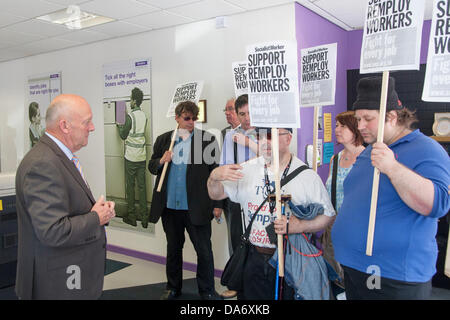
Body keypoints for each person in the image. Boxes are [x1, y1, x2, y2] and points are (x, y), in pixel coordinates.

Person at [332, 76, 450, 300]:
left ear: (392, 117)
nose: (360, 126)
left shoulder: (428, 150)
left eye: (368, 119)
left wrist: (392, 167)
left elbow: (438, 205)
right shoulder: (370, 150)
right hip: (356, 267)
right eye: (358, 119)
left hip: (392, 275)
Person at [207, 127, 336, 300]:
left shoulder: (306, 176)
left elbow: (328, 215)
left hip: (289, 257)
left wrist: (300, 226)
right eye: (259, 137)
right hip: (253, 257)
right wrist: (214, 177)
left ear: (288, 139)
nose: (264, 142)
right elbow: (216, 194)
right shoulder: (246, 169)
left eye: (271, 136)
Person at [15, 94, 116, 300]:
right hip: (57, 284)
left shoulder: (57, 158)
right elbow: (53, 231)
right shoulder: (43, 164)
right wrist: (96, 217)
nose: (92, 127)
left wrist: (96, 211)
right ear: (65, 126)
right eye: (87, 122)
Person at [148, 101, 221, 300]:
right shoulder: (164, 140)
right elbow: (151, 166)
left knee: (204, 251)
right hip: (170, 206)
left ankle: (206, 290)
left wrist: (218, 203)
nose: (191, 122)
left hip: (197, 206)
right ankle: (172, 288)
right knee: (173, 249)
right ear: (177, 118)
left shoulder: (207, 140)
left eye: (194, 118)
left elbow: (216, 174)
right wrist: (162, 160)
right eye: (186, 118)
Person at [215, 94, 258, 299]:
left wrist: (249, 143)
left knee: (259, 244)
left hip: (260, 199)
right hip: (237, 197)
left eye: (250, 112)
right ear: (237, 115)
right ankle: (237, 284)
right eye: (242, 114)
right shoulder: (230, 136)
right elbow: (225, 166)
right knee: (237, 241)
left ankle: (255, 284)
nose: (247, 117)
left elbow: (273, 158)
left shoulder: (267, 133)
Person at [321, 111, 365, 285]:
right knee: (333, 273)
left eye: (343, 126)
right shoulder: (336, 159)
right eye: (336, 125)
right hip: (333, 225)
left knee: (354, 276)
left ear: (355, 129)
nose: (337, 129)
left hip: (356, 227)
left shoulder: (367, 159)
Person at [117, 87, 148, 228]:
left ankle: (132, 217)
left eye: (130, 99)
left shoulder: (130, 116)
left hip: (130, 157)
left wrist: (119, 125)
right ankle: (145, 219)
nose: (129, 101)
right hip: (141, 156)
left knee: (130, 187)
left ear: (134, 101)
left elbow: (123, 135)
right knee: (142, 188)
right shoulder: (144, 115)